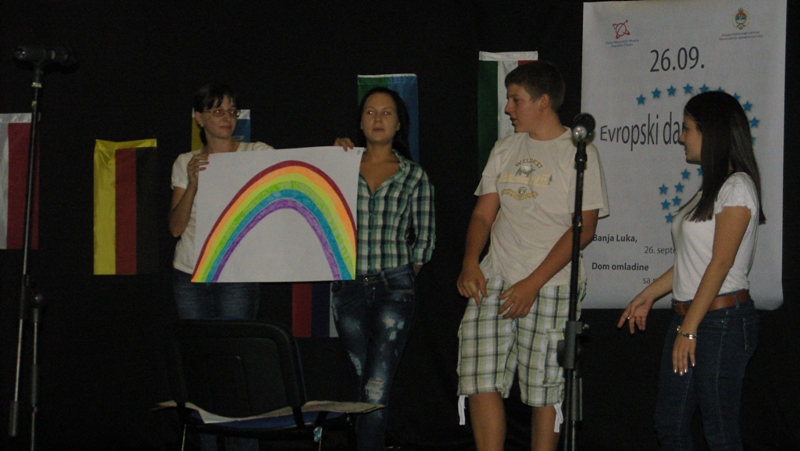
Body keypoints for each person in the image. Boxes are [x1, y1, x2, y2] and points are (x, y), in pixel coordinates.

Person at [456, 61, 609, 451]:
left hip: (550, 284)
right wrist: (470, 262)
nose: (508, 108)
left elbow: (583, 229)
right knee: (479, 377)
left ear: (543, 102)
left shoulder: (580, 152)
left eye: (515, 99)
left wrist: (532, 283)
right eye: (508, 99)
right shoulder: (505, 148)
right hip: (495, 275)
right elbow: (483, 214)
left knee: (544, 387)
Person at [618, 91, 763, 450]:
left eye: (686, 128)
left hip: (721, 322)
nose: (681, 137)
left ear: (709, 131)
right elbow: (692, 262)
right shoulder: (710, 190)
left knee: (719, 432)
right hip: (691, 319)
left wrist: (689, 329)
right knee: (670, 424)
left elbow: (720, 263)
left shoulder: (738, 187)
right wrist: (647, 295)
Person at [169, 82, 272, 451]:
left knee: (237, 364)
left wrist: (338, 151)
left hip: (236, 274)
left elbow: (295, 176)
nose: (226, 117)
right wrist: (194, 183)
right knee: (202, 368)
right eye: (217, 110)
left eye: (231, 111)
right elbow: (175, 228)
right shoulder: (185, 161)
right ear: (199, 118)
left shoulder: (256, 152)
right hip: (190, 276)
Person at [332, 86, 435, 451]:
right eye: (371, 112)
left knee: (376, 385)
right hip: (348, 287)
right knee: (363, 380)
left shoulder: (414, 176)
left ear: (399, 124)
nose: (378, 118)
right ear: (360, 123)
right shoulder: (340, 167)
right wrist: (331, 158)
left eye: (387, 112)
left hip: (394, 287)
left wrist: (402, 277)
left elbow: (425, 238)